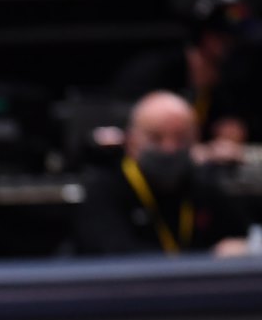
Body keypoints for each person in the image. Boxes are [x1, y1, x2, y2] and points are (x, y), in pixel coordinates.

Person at [73, 90, 252, 257]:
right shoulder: (104, 190)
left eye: (181, 137)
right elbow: (115, 256)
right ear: (131, 140)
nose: (169, 148)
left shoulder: (203, 185)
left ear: (195, 140)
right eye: (155, 138)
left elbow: (245, 236)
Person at [109, 0, 256, 163]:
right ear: (204, 37)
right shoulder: (152, 74)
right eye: (225, 41)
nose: (234, 49)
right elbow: (125, 137)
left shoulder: (229, 86)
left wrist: (229, 134)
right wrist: (194, 151)